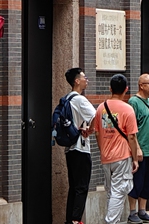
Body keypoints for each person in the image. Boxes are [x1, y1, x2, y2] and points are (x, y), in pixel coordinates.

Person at [92, 74, 142, 224]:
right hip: (122, 156)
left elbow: (97, 132)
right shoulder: (127, 109)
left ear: (110, 88)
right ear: (126, 89)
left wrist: (103, 150)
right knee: (119, 191)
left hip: (106, 156)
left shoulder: (101, 107)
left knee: (111, 191)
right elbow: (132, 137)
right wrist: (135, 158)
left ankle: (112, 220)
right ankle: (111, 221)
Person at [62, 67, 97, 224]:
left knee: (73, 186)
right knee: (82, 187)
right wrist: (90, 130)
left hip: (69, 148)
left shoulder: (66, 99)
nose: (86, 79)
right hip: (81, 147)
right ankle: (76, 221)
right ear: (77, 81)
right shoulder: (80, 100)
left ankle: (70, 220)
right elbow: (97, 115)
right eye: (84, 77)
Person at [129, 73, 149, 223]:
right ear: (141, 85)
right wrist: (137, 149)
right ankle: (132, 211)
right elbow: (131, 129)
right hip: (141, 150)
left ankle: (143, 210)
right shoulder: (134, 102)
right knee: (137, 181)